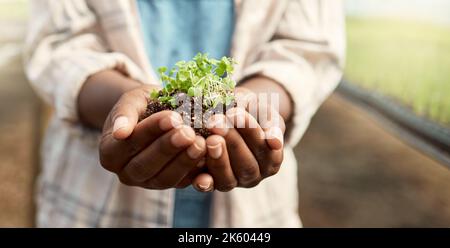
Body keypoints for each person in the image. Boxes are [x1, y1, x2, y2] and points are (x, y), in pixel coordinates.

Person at [24, 0, 345, 227]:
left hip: (253, 216)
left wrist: (261, 109)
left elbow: (307, 50)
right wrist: (121, 104)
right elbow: (60, 43)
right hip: (93, 204)